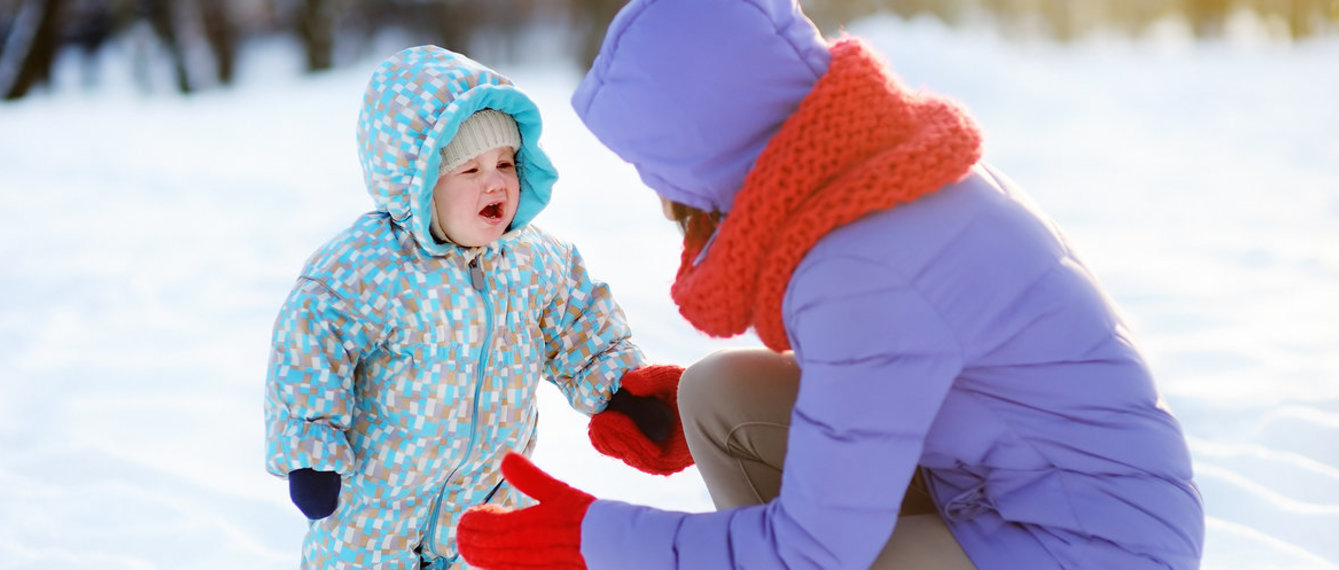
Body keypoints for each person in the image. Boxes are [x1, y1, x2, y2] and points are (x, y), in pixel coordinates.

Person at [454, 1, 1206, 569]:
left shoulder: (859, 267)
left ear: (698, 150)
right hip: (1015, 491)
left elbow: (814, 550)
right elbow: (897, 373)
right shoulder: (871, 176)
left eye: (653, 165)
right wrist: (684, 421)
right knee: (716, 398)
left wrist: (599, 541)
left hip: (1091, 546)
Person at [263, 45, 692, 569]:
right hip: (370, 522)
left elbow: (583, 328)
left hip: (486, 509)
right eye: (469, 170)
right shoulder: (365, 269)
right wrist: (313, 455)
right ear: (417, 185)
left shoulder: (536, 262)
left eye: (506, 163)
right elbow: (309, 349)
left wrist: (620, 392)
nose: (495, 182)